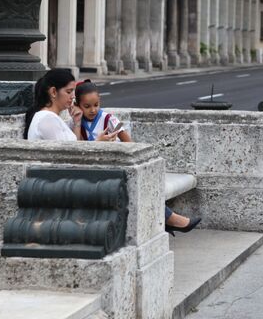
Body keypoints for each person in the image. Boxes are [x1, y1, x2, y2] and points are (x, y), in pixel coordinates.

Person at [25, 70, 200, 236]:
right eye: (69, 91)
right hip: (60, 187)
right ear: (54, 92)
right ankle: (169, 219)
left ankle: (166, 219)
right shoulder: (47, 120)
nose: (72, 97)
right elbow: (71, 160)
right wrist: (98, 144)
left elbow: (73, 152)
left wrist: (78, 123)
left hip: (65, 181)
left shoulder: (55, 119)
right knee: (128, 182)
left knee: (131, 178)